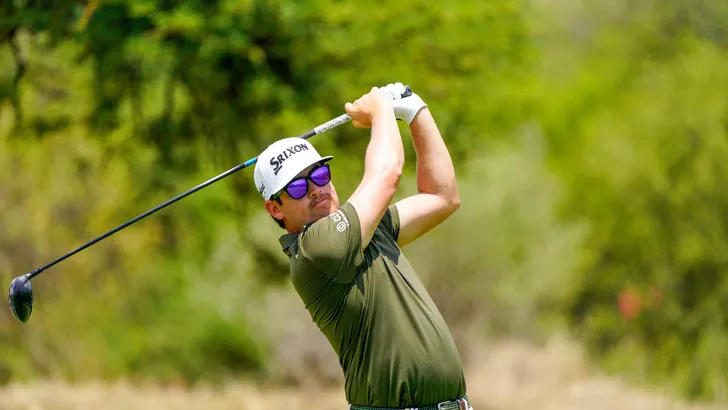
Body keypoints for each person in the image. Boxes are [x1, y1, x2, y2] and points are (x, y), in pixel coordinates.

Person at [253, 83, 471, 410]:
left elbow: (442, 197)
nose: (315, 189)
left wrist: (416, 112)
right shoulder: (316, 249)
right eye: (297, 187)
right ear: (275, 209)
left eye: (320, 174)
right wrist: (382, 109)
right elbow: (387, 175)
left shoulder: (365, 231)